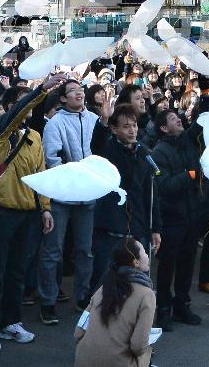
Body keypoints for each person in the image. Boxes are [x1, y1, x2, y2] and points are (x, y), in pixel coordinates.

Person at [0, 78, 61, 354]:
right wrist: (42, 89)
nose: (27, 108)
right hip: (3, 213)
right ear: (11, 107)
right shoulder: (2, 134)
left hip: (28, 214)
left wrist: (45, 208)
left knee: (17, 271)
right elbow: (15, 115)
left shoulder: (35, 137)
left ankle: (10, 322)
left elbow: (40, 175)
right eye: (21, 102)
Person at [39, 79, 100, 324]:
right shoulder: (55, 123)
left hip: (88, 194)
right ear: (63, 98)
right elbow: (51, 158)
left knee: (85, 250)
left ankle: (83, 297)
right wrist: (73, 175)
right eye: (73, 91)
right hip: (63, 195)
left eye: (81, 90)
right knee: (53, 250)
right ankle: (48, 301)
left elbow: (100, 151)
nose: (79, 94)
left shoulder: (94, 120)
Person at [90, 106, 161, 303]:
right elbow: (96, 145)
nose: (132, 130)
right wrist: (103, 121)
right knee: (104, 280)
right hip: (111, 227)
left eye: (135, 125)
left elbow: (151, 195)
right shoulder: (108, 151)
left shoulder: (144, 154)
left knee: (139, 280)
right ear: (114, 129)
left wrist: (155, 228)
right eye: (126, 126)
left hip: (137, 227)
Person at [150, 109, 204, 330]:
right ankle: (163, 309)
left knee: (187, 264)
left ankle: (182, 305)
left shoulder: (188, 143)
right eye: (173, 119)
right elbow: (163, 186)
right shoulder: (159, 152)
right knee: (167, 266)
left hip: (191, 216)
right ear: (163, 128)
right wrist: (190, 175)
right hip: (172, 219)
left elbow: (200, 124)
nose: (179, 120)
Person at [74, 237, 155, 367]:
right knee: (147, 351)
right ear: (136, 262)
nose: (147, 254)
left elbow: (78, 332)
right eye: (144, 252)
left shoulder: (103, 287)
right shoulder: (146, 295)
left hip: (83, 361)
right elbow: (138, 346)